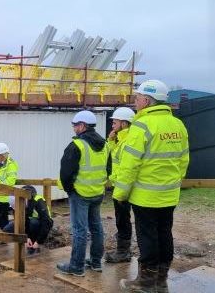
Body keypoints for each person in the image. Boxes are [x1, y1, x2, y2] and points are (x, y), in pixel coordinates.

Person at [114, 80, 189, 293]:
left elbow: (129, 166)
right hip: (169, 195)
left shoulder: (142, 126)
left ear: (146, 101)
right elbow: (184, 160)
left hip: (145, 197)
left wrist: (120, 194)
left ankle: (145, 283)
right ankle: (161, 280)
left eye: (137, 98)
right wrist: (174, 183)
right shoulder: (178, 125)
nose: (135, 101)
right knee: (165, 234)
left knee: (148, 238)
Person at [56, 110, 111, 277]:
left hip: (80, 194)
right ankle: (96, 262)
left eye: (75, 125)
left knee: (80, 230)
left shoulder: (77, 145)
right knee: (96, 228)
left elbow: (65, 173)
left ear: (83, 126)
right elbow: (108, 169)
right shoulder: (105, 145)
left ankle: (77, 267)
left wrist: (70, 190)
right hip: (97, 193)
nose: (73, 128)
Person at [105, 107, 136, 264]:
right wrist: (111, 141)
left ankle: (123, 252)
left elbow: (127, 167)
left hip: (125, 189)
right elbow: (116, 157)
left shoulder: (129, 140)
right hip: (121, 186)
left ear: (124, 123)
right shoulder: (122, 139)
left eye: (115, 122)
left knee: (123, 221)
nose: (112, 125)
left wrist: (121, 191)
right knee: (121, 219)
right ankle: (123, 250)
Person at [3, 185, 53, 255]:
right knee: (7, 229)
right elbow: (23, 221)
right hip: (30, 223)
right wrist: (27, 237)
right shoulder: (19, 201)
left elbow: (47, 222)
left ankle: (34, 243)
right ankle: (26, 242)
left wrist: (38, 241)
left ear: (24, 200)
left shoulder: (38, 201)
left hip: (41, 223)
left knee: (33, 222)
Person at [0, 142, 18, 231]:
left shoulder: (11, 165)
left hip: (4, 197)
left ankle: (5, 236)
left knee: (3, 220)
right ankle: (5, 233)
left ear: (4, 155)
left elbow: (11, 181)